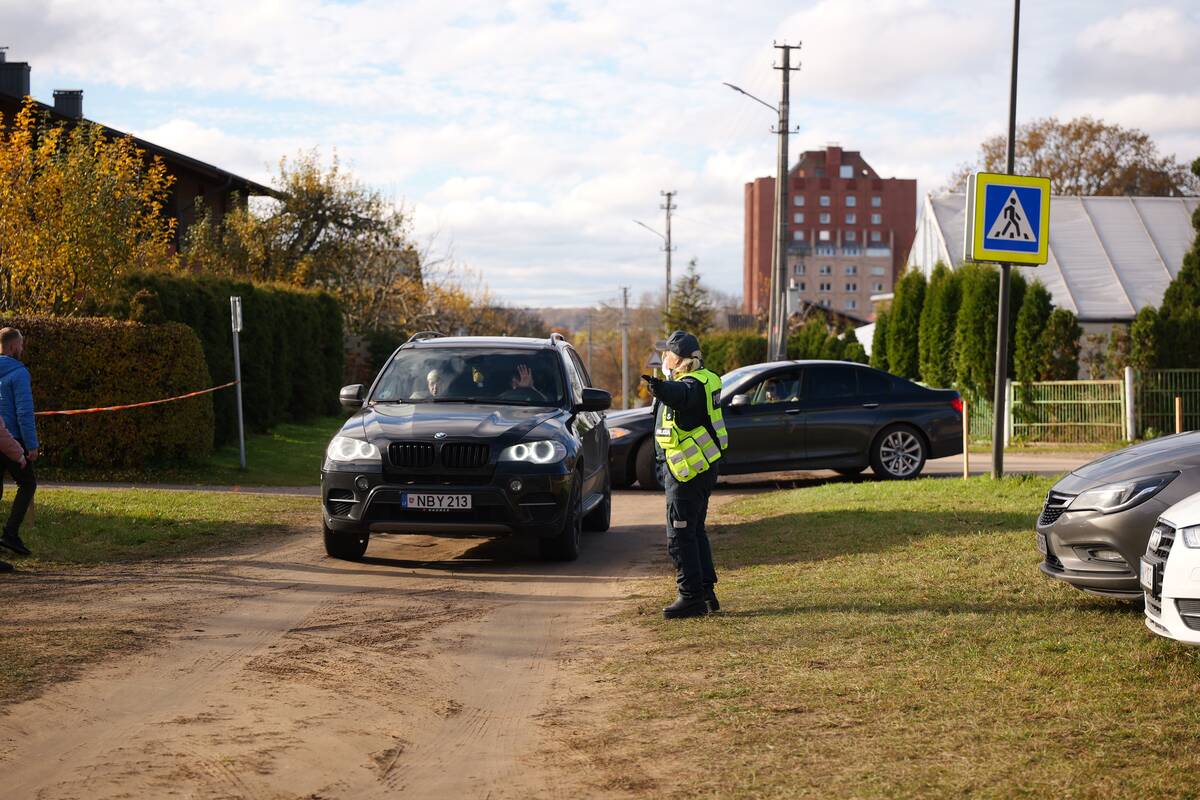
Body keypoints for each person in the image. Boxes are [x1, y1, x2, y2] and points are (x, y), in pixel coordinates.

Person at [643, 330, 729, 619]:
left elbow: (682, 397)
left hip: (688, 471)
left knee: (679, 535)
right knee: (693, 531)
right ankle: (705, 593)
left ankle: (690, 597)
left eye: (667, 354)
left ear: (677, 359)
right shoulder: (706, 378)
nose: (664, 358)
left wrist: (660, 388)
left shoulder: (689, 385)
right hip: (698, 468)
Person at [0, 328, 37, 558]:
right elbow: (24, 411)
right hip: (12, 440)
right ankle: (11, 533)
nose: (22, 349)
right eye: (21, 345)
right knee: (27, 484)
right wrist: (31, 445)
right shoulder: (20, 372)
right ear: (13, 346)